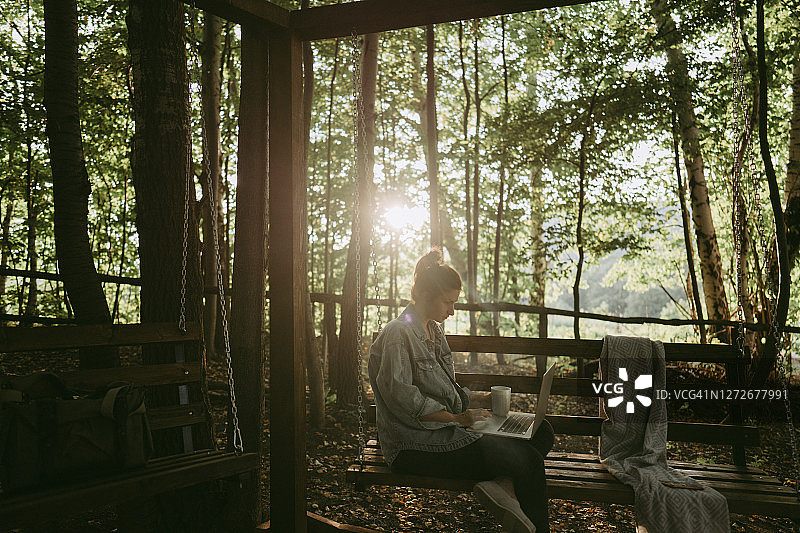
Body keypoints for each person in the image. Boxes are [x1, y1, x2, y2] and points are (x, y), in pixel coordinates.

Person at [368, 248, 553, 533]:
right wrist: (459, 420)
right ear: (427, 296)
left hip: (448, 431)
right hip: (413, 445)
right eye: (448, 302)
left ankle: (504, 487)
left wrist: (481, 400)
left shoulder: (434, 330)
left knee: (542, 432)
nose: (452, 310)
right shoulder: (398, 333)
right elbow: (403, 401)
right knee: (528, 461)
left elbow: (447, 391)